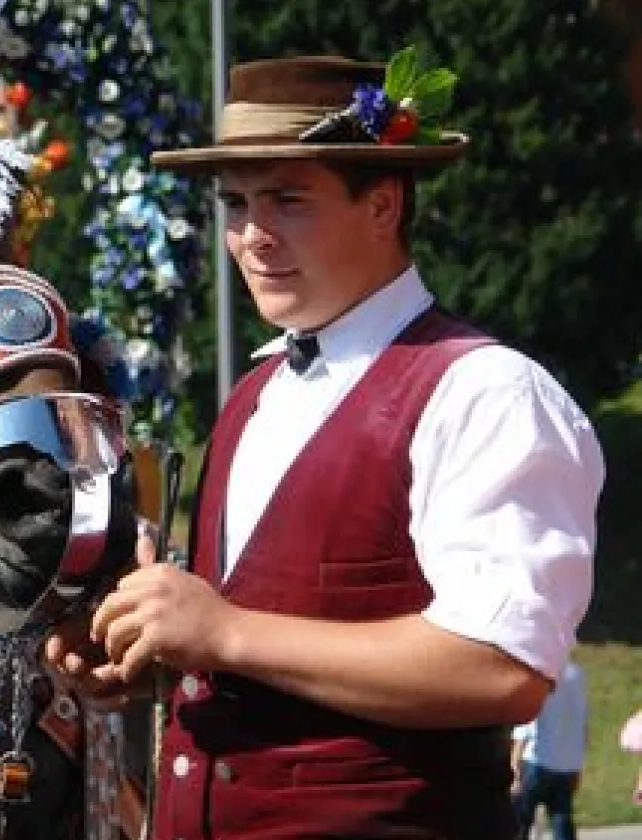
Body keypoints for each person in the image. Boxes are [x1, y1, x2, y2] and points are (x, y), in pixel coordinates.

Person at [44, 52, 603, 838]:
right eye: (235, 202)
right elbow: (264, 640)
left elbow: (502, 669)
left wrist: (224, 633)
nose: (252, 236)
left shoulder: (487, 392)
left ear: (383, 204)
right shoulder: (256, 391)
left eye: (289, 199)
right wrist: (155, 651)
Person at [511, 659, 587, 840]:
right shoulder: (576, 674)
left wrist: (514, 764)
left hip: (537, 759)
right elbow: (582, 720)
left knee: (520, 821)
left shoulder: (541, 672)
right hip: (566, 764)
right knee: (561, 819)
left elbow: (527, 721)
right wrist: (578, 763)